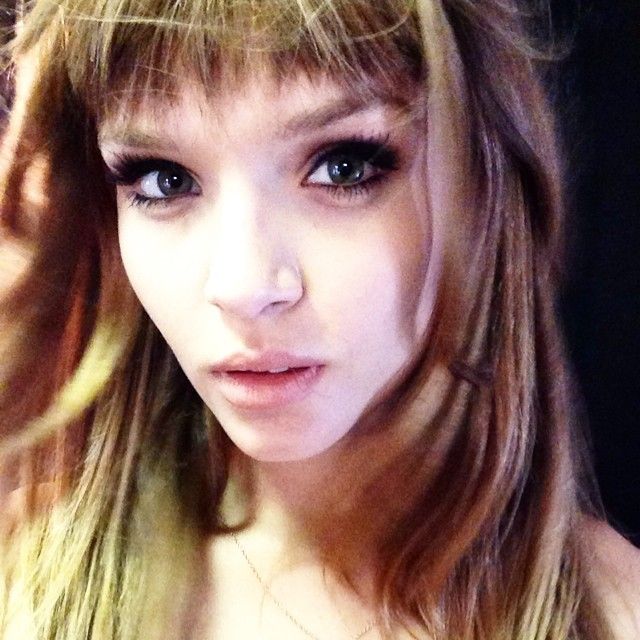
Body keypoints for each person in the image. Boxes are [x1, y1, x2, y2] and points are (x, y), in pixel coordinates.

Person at [0, 1, 638, 638]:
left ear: (483, 183)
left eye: (342, 167)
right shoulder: (29, 580)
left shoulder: (613, 613)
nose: (243, 288)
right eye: (165, 180)